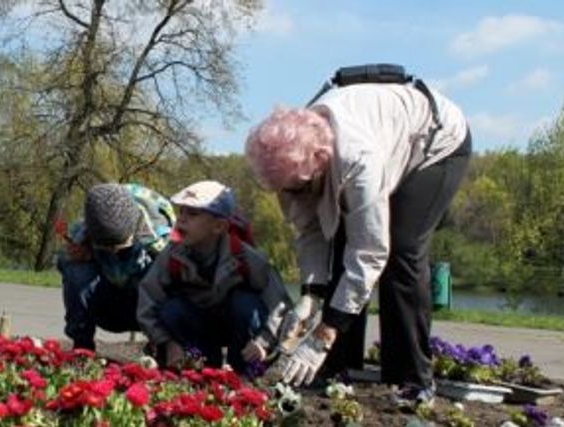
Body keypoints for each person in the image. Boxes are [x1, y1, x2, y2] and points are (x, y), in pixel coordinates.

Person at [246, 81, 471, 406]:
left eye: (297, 188)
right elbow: (310, 231)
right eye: (286, 191)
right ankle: (337, 368)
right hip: (381, 137)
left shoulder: (357, 158)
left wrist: (325, 331)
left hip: (435, 143)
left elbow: (369, 251)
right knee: (339, 239)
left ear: (321, 159)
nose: (292, 197)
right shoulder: (290, 163)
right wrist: (311, 295)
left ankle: (412, 380)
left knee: (401, 251)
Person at [137, 181, 293, 371]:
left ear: (219, 226)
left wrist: (264, 340)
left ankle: (246, 370)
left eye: (193, 214)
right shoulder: (172, 255)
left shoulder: (245, 257)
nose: (181, 220)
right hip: (198, 330)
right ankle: (201, 365)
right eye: (182, 212)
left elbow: (280, 304)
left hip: (239, 332)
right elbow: (147, 301)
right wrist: (166, 342)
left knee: (245, 305)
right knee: (172, 310)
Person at [59, 183, 175, 351]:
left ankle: (163, 347)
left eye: (119, 247)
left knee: (167, 272)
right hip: (108, 305)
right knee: (75, 269)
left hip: (146, 303)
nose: (113, 252)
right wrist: (83, 256)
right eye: (106, 248)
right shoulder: (91, 219)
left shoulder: (160, 231)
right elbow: (64, 262)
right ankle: (82, 348)